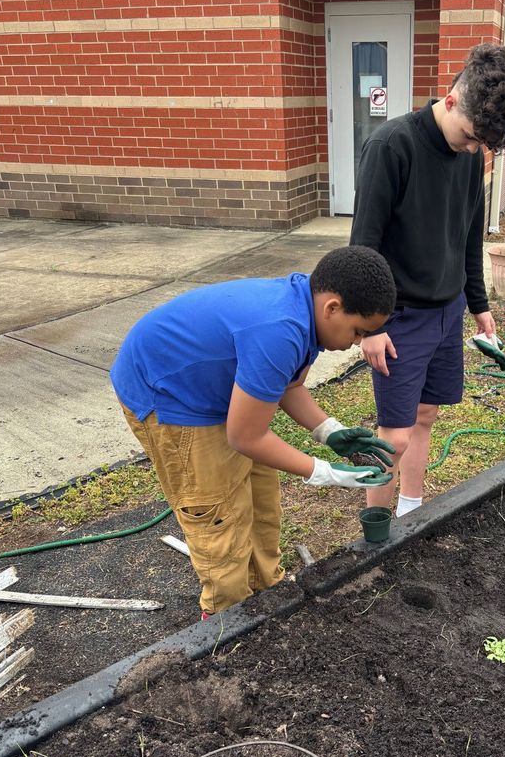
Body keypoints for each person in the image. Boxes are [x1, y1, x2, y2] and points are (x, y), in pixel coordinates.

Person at [110, 245, 397, 618]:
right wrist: (325, 473)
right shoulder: (280, 329)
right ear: (332, 307)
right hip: (169, 395)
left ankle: (269, 593)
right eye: (359, 331)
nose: (359, 341)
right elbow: (244, 437)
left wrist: (329, 432)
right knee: (220, 517)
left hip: (218, 392)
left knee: (262, 502)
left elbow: (288, 387)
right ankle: (226, 620)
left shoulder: (307, 313)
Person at [350, 43, 505, 517]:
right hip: (400, 317)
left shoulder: (472, 157)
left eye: (483, 145)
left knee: (426, 415)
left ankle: (412, 513)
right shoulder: (392, 146)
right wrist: (371, 327)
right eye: (471, 136)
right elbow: (362, 247)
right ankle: (377, 532)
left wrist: (478, 304)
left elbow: (467, 237)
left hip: (447, 312)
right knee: (393, 433)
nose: (473, 149)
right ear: (451, 99)